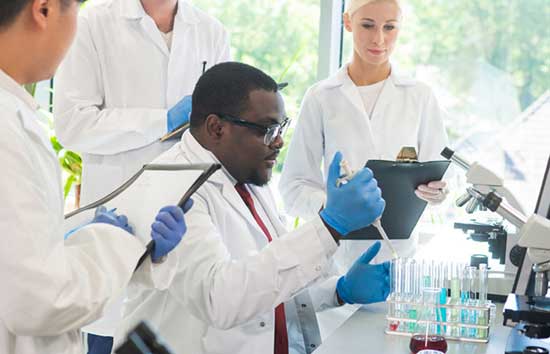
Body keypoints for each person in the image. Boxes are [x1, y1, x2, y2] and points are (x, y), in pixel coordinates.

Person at [115, 62, 389, 354]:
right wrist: (329, 227)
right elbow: (219, 299)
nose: (280, 141)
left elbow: (269, 284)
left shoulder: (245, 177)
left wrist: (338, 290)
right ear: (216, 128)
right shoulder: (174, 187)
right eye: (268, 129)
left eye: (281, 127)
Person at [0, 1, 191, 353]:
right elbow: (39, 300)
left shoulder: (13, 114)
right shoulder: (7, 128)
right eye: (71, 10)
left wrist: (111, 248)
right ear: (43, 10)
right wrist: (113, 241)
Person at [52, 0, 230, 349]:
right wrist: (161, 121)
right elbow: (72, 123)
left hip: (188, 219)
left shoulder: (211, 31)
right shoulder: (93, 24)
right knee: (110, 333)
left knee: (182, 333)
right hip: (119, 218)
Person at [280, 0, 449, 268]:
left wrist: (438, 193)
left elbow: (440, 176)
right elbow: (293, 189)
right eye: (367, 25)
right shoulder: (322, 97)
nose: (378, 38)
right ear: (348, 22)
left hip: (399, 259)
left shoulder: (419, 96)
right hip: (335, 260)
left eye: (389, 27)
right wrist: (336, 206)